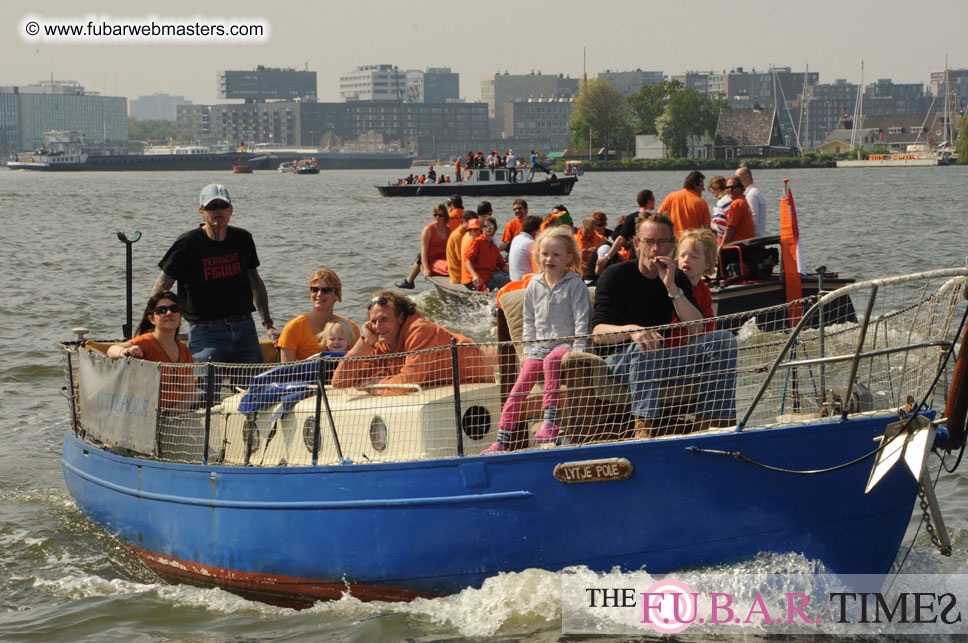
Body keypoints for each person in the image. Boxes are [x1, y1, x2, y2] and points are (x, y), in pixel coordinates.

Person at [591, 212, 736, 437]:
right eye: (649, 241)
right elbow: (598, 333)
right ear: (638, 244)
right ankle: (644, 426)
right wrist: (634, 332)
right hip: (619, 359)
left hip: (661, 358)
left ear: (671, 246)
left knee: (724, 340)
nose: (656, 249)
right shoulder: (615, 275)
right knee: (646, 342)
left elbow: (697, 328)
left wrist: (672, 288)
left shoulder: (676, 277)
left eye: (662, 242)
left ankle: (711, 422)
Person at [484, 227, 591, 453]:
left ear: (568, 257)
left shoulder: (575, 285)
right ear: (537, 255)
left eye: (556, 255)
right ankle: (502, 439)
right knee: (520, 385)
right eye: (544, 254)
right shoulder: (534, 285)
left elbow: (582, 320)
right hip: (538, 346)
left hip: (566, 345)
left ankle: (550, 422)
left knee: (552, 361)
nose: (549, 259)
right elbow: (529, 322)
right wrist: (526, 351)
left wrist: (578, 351)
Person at [152, 183, 278, 364]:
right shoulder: (187, 243)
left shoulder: (243, 239)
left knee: (251, 389)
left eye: (223, 206)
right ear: (201, 211)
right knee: (205, 389)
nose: (218, 211)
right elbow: (160, 288)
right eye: (212, 207)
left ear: (231, 210)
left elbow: (255, 282)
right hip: (206, 332)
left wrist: (268, 325)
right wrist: (159, 327)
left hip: (245, 328)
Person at [331, 292, 493, 394]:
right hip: (449, 386)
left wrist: (376, 385)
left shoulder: (420, 330)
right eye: (373, 321)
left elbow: (408, 382)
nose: (378, 327)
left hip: (483, 376)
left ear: (401, 317)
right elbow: (339, 382)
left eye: (384, 319)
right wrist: (363, 344)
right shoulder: (380, 342)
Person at [107, 291, 195, 409]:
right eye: (162, 310)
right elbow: (112, 350)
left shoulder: (184, 350)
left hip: (177, 415)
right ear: (152, 319)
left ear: (180, 316)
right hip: (145, 414)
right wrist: (124, 352)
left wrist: (177, 412)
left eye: (174, 309)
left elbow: (190, 394)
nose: (169, 313)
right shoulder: (145, 342)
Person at [277, 268, 360, 362]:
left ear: (336, 295)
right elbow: (286, 373)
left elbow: (358, 366)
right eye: (314, 289)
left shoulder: (351, 328)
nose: (319, 294)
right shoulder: (293, 328)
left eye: (326, 290)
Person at [668, 228, 718, 347]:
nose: (686, 260)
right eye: (682, 255)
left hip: (693, 346)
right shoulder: (671, 284)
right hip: (669, 348)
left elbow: (709, 325)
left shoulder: (704, 290)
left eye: (694, 257)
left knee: (723, 338)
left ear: (707, 264)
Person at [395, 203, 452, 289]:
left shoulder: (449, 229)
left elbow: (451, 249)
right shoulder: (428, 229)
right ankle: (409, 280)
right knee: (447, 268)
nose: (437, 217)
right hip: (433, 259)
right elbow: (424, 250)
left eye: (440, 215)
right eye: (435, 215)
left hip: (445, 257)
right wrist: (426, 268)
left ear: (445, 216)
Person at [597, 189, 653, 273]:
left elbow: (621, 239)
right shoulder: (655, 218)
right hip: (652, 254)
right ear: (649, 202)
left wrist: (607, 257)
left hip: (636, 254)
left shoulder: (631, 217)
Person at [659, 171, 711, 239]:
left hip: (674, 240)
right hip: (692, 242)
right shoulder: (702, 203)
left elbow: (659, 216)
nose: (703, 189)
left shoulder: (671, 197)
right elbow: (707, 230)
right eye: (702, 185)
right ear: (695, 185)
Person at [463, 218, 510, 291]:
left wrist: (518, 273)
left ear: (494, 229)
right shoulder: (477, 242)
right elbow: (468, 261)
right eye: (486, 225)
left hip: (489, 277)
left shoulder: (493, 246)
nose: (489, 227)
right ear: (482, 228)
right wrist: (474, 276)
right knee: (506, 281)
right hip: (478, 280)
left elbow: (503, 265)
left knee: (512, 278)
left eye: (491, 225)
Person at [720, 178, 756, 247]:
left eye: (733, 187)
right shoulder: (743, 201)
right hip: (748, 245)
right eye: (727, 187)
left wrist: (722, 246)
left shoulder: (737, 203)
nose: (730, 189)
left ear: (740, 188)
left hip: (739, 247)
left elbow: (731, 229)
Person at [508, 215, 543, 281]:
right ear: (536, 232)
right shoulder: (531, 244)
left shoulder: (516, 238)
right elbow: (540, 268)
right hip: (525, 284)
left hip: (513, 281)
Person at [446, 209, 476, 283]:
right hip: (459, 275)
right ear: (463, 221)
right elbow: (462, 259)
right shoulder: (458, 235)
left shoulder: (468, 233)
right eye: (471, 223)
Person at [736, 166, 766, 237]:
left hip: (753, 238)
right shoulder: (753, 192)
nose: (736, 181)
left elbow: (752, 219)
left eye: (738, 178)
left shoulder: (751, 195)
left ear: (747, 177)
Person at [708, 176, 731, 242]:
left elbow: (721, 227)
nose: (714, 195)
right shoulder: (732, 198)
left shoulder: (721, 203)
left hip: (724, 241)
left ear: (717, 188)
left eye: (713, 191)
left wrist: (711, 225)